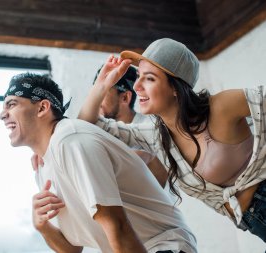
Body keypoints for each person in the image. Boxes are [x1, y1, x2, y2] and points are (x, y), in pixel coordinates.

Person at [78, 38, 266, 242]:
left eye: (149, 78)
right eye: (138, 77)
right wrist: (103, 84)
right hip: (255, 223)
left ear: (175, 87)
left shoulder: (221, 107)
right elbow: (87, 126)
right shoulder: (155, 136)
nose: (137, 87)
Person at [0, 73, 197, 253]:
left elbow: (116, 224)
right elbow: (72, 250)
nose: (2, 114)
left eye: (12, 104)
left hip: (163, 246)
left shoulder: (71, 140)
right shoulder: (43, 168)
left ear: (42, 107)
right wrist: (42, 226)